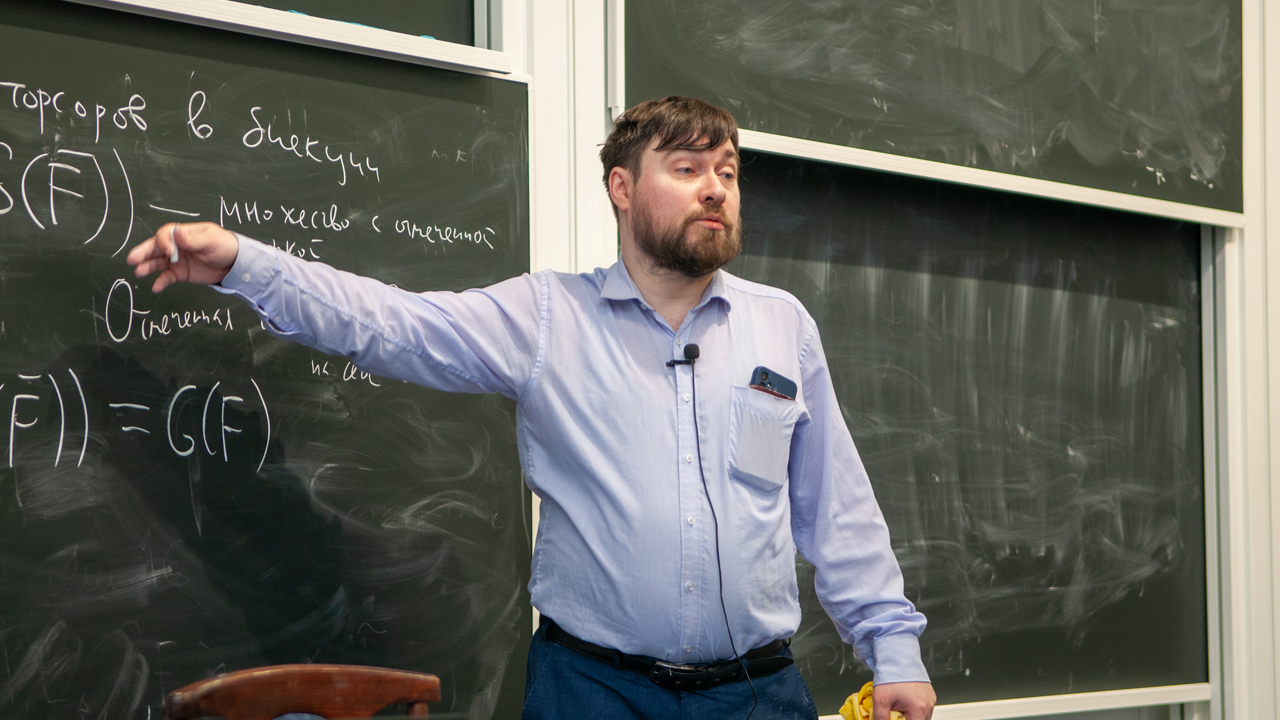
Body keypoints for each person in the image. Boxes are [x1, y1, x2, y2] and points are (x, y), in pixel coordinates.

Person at [128, 96, 936, 720]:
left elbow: (836, 506)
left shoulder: (781, 326)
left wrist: (894, 649)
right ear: (622, 188)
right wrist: (245, 265)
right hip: (594, 691)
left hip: (757, 694)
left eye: (727, 172)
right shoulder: (548, 318)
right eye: (688, 168)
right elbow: (392, 325)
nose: (715, 189)